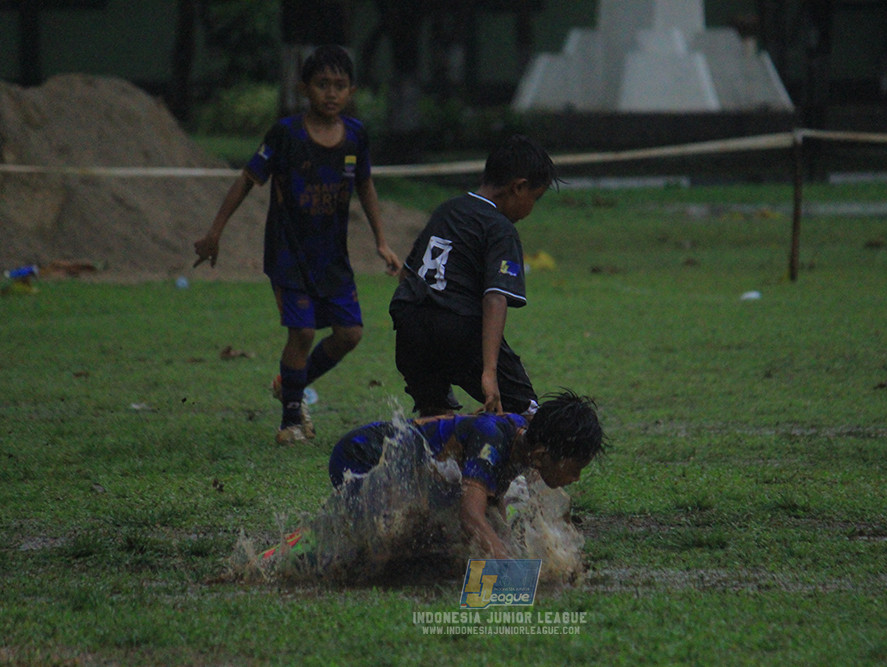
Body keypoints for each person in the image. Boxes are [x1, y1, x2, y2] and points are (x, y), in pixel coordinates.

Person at [193, 45, 402, 445]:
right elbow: (246, 179)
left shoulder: (356, 136)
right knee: (303, 333)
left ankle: (289, 383)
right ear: (304, 88)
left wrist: (382, 241)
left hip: (332, 257)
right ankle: (291, 419)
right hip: (288, 253)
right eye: (322, 84)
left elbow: (366, 185)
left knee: (350, 334)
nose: (331, 93)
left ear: (352, 91)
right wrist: (215, 232)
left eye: (340, 85)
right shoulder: (285, 134)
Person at [389, 135, 557, 418]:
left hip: (409, 324)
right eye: (535, 198)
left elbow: (406, 273)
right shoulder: (500, 227)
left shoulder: (448, 209)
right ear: (519, 188)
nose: (532, 208)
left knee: (435, 416)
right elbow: (495, 297)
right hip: (457, 327)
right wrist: (489, 372)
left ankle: (427, 455)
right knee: (526, 415)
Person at [328, 390, 605, 559]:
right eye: (575, 468)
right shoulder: (493, 441)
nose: (576, 477)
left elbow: (491, 508)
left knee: (435, 544)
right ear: (543, 455)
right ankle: (308, 542)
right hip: (360, 454)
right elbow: (470, 513)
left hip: (393, 464)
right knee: (384, 550)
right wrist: (504, 558)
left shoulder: (524, 442)